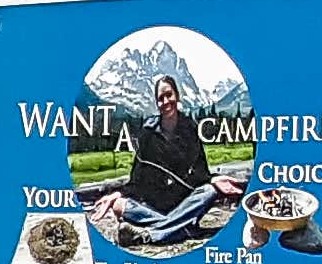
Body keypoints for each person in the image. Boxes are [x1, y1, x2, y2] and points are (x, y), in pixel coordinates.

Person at [97, 72, 233, 247]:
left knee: (210, 191)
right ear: (157, 103)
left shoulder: (189, 129)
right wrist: (116, 194)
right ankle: (182, 229)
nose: (165, 101)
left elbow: (200, 173)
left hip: (182, 203)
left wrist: (214, 179)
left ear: (177, 95)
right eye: (160, 98)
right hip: (154, 204)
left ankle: (149, 235)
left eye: (169, 95)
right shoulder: (147, 133)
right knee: (118, 205)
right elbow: (137, 179)